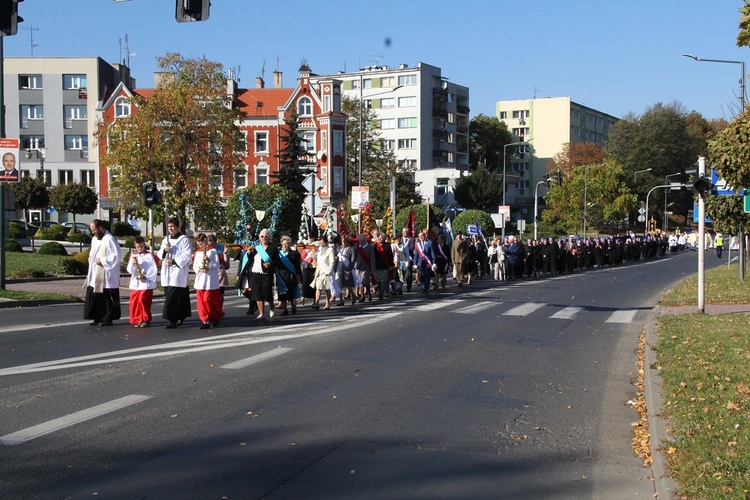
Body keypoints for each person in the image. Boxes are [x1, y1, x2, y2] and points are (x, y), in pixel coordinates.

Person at [84, 219, 122, 327]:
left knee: (106, 297)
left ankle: (108, 318)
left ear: (100, 227)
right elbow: (93, 251)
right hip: (95, 272)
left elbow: (116, 256)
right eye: (91, 230)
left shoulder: (109, 239)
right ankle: (97, 317)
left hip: (106, 273)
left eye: (94, 230)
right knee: (96, 295)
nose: (93, 232)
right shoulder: (95, 239)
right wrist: (90, 257)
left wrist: (102, 261)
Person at [159, 217, 192, 329]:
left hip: (178, 271)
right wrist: (165, 251)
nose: (170, 229)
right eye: (168, 227)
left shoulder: (184, 240)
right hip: (167, 270)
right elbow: (159, 254)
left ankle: (172, 319)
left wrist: (173, 261)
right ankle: (180, 315)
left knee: (172, 297)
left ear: (177, 227)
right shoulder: (166, 240)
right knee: (173, 295)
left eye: (172, 226)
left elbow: (186, 255)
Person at [193, 233, 224, 329]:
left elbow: (217, 265)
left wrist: (209, 261)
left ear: (206, 241)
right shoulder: (198, 252)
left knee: (209, 300)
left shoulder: (213, 251)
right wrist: (199, 268)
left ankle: (215, 317)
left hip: (210, 280)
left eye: (202, 244)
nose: (200, 246)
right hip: (201, 279)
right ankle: (205, 320)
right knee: (201, 302)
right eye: (199, 244)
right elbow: (194, 266)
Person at [126, 235, 158, 328]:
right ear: (135, 246)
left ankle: (145, 319)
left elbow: (153, 268)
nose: (140, 248)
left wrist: (145, 275)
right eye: (138, 247)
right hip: (136, 283)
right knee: (135, 302)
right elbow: (130, 269)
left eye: (142, 246)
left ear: (144, 245)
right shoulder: (133, 255)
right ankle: (138, 319)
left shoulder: (148, 255)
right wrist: (133, 265)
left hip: (146, 283)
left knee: (143, 300)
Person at [248, 228, 280, 319]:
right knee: (257, 294)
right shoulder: (256, 248)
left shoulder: (273, 248)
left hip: (266, 274)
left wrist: (270, 264)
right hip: (255, 273)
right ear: (259, 237)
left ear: (269, 237)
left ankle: (271, 307)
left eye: (266, 236)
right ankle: (261, 313)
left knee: (267, 293)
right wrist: (249, 253)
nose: (264, 238)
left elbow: (278, 262)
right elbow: (250, 260)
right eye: (262, 236)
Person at [277, 235, 302, 315]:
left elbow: (297, 265)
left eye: (286, 244)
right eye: (283, 244)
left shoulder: (293, 253)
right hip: (281, 275)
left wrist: (299, 278)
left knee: (291, 293)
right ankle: (285, 310)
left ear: (289, 244)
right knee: (282, 293)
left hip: (290, 276)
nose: (284, 245)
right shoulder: (279, 254)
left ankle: (293, 307)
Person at [311, 234, 335, 309]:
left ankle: (328, 303)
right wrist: (313, 253)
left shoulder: (330, 250)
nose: (321, 244)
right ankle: (317, 303)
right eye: (320, 243)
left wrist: (328, 271)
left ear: (326, 242)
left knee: (327, 288)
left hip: (326, 271)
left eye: (323, 243)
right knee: (318, 288)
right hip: (319, 271)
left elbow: (332, 261)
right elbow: (316, 258)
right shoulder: (319, 249)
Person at [353, 233, 375, 302]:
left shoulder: (369, 247)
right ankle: (362, 296)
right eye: (360, 240)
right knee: (359, 282)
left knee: (366, 282)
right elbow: (354, 256)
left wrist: (373, 268)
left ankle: (368, 293)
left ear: (365, 240)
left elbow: (372, 258)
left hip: (366, 266)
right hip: (358, 266)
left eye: (362, 240)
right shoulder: (357, 247)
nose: (361, 242)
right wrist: (355, 248)